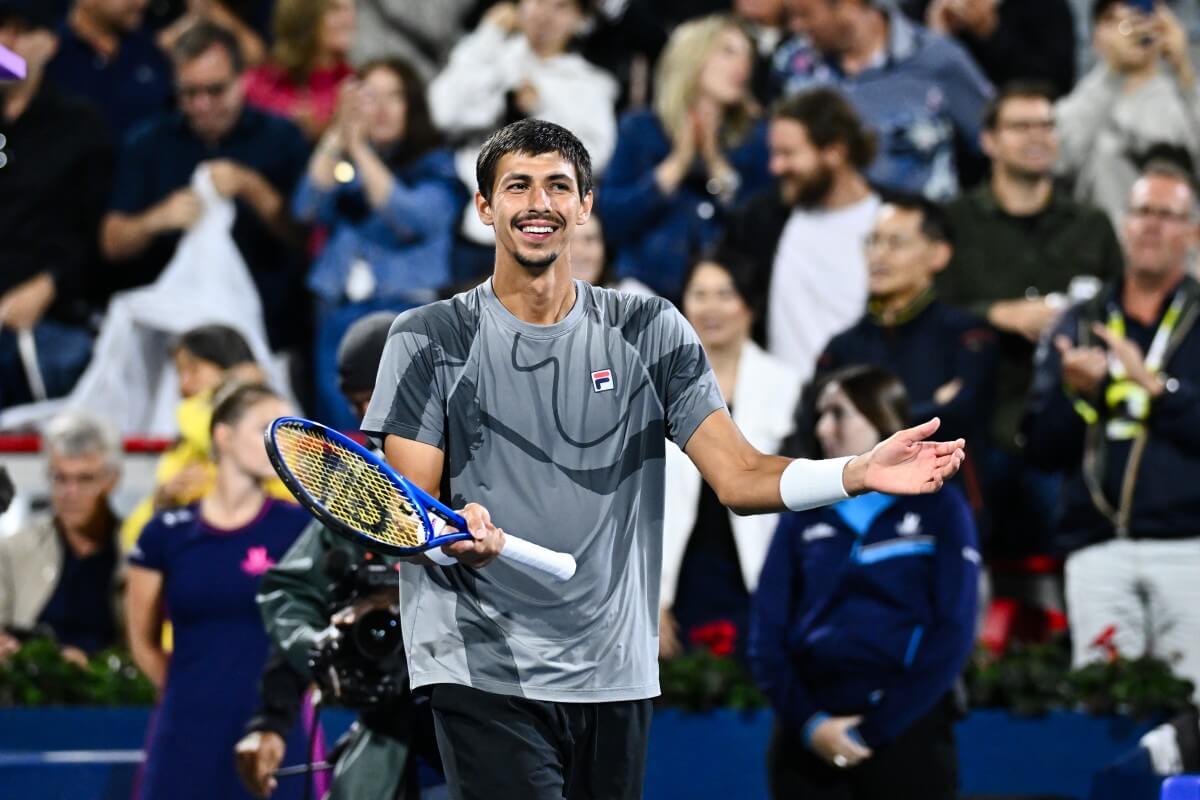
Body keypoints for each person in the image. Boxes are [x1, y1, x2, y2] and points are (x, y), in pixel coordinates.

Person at [360, 117, 965, 799]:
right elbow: (408, 514)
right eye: (517, 186)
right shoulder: (428, 336)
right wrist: (455, 542)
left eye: (558, 186)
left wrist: (855, 471)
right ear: (483, 207)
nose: (538, 204)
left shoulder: (649, 329)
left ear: (586, 206)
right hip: (480, 665)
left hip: (612, 668)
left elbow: (738, 475)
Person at [751, 365, 980, 799]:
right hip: (808, 737)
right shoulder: (803, 512)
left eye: (838, 414)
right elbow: (766, 636)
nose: (822, 429)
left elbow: (953, 631)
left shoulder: (940, 508)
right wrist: (811, 724)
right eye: (819, 415)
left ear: (881, 418)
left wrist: (875, 731)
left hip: (907, 732)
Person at [1024, 161, 1200, 700]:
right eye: (1142, 211)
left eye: (1168, 215)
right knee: (1101, 706)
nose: (1152, 226)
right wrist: (1077, 397)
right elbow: (1041, 448)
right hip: (1097, 546)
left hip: (1190, 546)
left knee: (1192, 710)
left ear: (1192, 233)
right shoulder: (1079, 320)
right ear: (1124, 224)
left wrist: (1155, 388)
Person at [236, 312, 419, 800]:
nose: (367, 422)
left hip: (495, 725)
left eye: (376, 401)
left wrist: (409, 604)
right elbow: (296, 593)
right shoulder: (359, 488)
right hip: (392, 734)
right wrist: (275, 716)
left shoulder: (495, 471)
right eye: (357, 406)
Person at [940, 81, 1123, 553]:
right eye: (1021, 126)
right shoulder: (953, 222)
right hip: (975, 424)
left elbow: (1121, 310)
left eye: (1047, 125)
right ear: (989, 141)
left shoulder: (1091, 225)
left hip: (1067, 425)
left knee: (1074, 555)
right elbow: (928, 312)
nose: (1038, 135)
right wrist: (995, 313)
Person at [126, 382, 315, 800]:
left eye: (284, 429)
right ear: (223, 437)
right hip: (185, 731)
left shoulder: (299, 528)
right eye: (264, 427)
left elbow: (318, 629)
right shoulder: (165, 533)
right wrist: (189, 694)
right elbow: (141, 640)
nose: (277, 441)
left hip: (276, 735)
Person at [100, 21, 310, 352]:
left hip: (269, 327)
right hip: (170, 334)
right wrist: (156, 219)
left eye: (215, 90)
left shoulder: (282, 138)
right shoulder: (147, 142)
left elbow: (304, 237)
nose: (202, 104)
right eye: (189, 93)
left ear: (243, 81)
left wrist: (253, 188)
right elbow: (112, 242)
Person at [294, 57, 463, 431]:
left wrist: (359, 151)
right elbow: (306, 207)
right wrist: (337, 135)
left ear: (412, 106)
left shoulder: (436, 166)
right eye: (370, 98)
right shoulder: (346, 158)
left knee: (400, 435)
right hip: (338, 313)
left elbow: (411, 220)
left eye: (394, 97)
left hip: (405, 312)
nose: (382, 109)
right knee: (338, 440)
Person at [660, 253, 803, 660]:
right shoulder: (649, 384)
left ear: (750, 305)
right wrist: (649, 597)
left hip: (761, 573)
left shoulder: (788, 386)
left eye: (725, 294)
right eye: (700, 294)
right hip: (680, 576)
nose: (711, 307)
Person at [430, 0, 618, 282]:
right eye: (538, 1)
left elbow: (596, 156)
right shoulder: (492, 56)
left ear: (580, 20)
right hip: (477, 228)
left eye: (561, 7)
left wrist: (541, 110)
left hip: (545, 234)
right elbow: (443, 110)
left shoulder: (589, 84)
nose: (545, 14)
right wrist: (488, 36)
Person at [599, 14, 770, 300]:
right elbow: (613, 220)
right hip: (644, 295)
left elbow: (758, 230)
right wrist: (677, 164)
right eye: (728, 51)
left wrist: (715, 162)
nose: (743, 65)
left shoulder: (754, 139)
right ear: (692, 56)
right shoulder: (640, 129)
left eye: (747, 56)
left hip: (722, 301)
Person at [0, 0, 113, 410]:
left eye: (17, 32)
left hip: (53, 325)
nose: (3, 44)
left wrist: (50, 284)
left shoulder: (81, 127)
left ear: (48, 43)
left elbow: (99, 234)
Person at [722, 88, 879, 377]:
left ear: (835, 152)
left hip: (866, 404)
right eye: (774, 153)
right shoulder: (760, 220)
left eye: (788, 154)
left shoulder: (892, 220)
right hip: (779, 408)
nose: (775, 167)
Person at [819, 196, 996, 449]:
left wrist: (863, 423)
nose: (878, 255)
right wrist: (930, 406)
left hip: (943, 484)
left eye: (895, 243)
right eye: (873, 242)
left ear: (938, 255)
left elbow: (960, 416)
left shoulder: (967, 336)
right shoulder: (841, 347)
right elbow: (817, 423)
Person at [774, 0, 993, 199]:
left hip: (920, 225)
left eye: (804, 14)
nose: (796, 26)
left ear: (848, 6)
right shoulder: (792, 63)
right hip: (826, 221)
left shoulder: (939, 59)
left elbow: (990, 139)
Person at [118, 323, 288, 552]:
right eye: (179, 373)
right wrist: (163, 500)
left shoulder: (277, 435)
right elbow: (134, 542)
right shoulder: (184, 446)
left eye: (194, 370)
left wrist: (233, 392)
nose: (183, 386)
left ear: (231, 369)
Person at [1057, 0, 1200, 227]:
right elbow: (1058, 161)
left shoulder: (1184, 97)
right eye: (1113, 21)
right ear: (1094, 38)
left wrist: (1183, 68)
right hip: (1099, 248)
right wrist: (1111, 73)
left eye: (1139, 19)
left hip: (1176, 250)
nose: (1128, 29)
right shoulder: (1083, 100)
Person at [0, 411, 123, 661]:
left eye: (85, 479)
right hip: (30, 691)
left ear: (112, 481)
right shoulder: (15, 550)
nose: (70, 492)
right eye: (60, 478)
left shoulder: (135, 551)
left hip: (115, 694)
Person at [46, 0, 172, 137]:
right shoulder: (48, 50)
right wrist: (25, 59)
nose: (141, 3)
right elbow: (19, 73)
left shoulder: (154, 48)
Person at [906, 0, 1076, 97]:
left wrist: (990, 32)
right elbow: (900, 89)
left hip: (1016, 128)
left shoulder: (1046, 7)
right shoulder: (920, 10)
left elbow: (1056, 87)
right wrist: (937, 39)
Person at [243, 0, 355, 141]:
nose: (349, 19)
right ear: (304, 16)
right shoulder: (261, 83)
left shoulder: (350, 82)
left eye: (350, 9)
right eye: (335, 9)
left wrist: (326, 129)